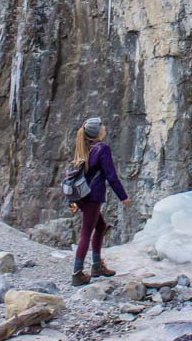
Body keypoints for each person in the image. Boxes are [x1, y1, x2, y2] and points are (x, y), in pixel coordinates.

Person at [68, 116, 129, 286]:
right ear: (97, 131)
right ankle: (77, 273)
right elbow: (111, 176)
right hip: (92, 197)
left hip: (81, 196)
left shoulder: (85, 147)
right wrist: (123, 196)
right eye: (102, 125)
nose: (104, 127)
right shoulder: (102, 149)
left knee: (101, 226)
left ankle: (96, 266)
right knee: (85, 233)